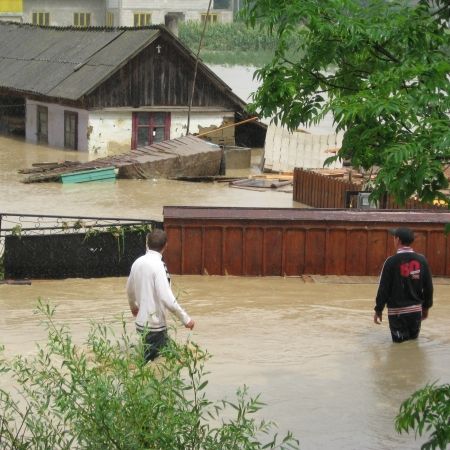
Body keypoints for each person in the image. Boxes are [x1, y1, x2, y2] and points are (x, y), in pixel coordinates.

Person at [127, 229, 195, 362]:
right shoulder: (159, 266)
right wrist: (186, 319)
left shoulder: (137, 262)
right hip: (154, 326)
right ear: (166, 245)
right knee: (159, 367)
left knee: (155, 362)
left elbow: (129, 289)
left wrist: (133, 307)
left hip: (141, 324)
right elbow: (166, 298)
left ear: (147, 243)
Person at [374, 227, 433, 343]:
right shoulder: (422, 260)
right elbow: (428, 287)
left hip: (397, 313)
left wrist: (378, 309)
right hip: (416, 311)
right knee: (412, 344)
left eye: (394, 237)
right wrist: (426, 307)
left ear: (398, 240)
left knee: (399, 346)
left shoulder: (390, 262)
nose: (393, 240)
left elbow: (383, 289)